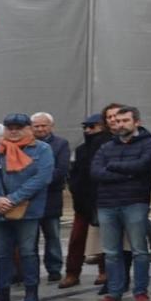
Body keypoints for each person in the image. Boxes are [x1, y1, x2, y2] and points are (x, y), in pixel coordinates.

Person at [0, 113, 54, 301]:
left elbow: (42, 178)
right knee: (1, 254)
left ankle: (31, 292)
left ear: (29, 129)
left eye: (19, 127)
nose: (14, 131)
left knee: (28, 252)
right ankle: (1, 294)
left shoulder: (42, 150)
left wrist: (13, 199)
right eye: (10, 127)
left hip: (28, 210)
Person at [90, 104, 151, 301]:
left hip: (134, 202)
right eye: (117, 121)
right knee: (111, 252)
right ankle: (114, 292)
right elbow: (95, 172)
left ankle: (140, 291)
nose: (120, 125)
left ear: (136, 122)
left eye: (125, 121)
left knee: (139, 250)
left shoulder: (149, 144)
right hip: (107, 204)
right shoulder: (106, 146)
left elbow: (142, 167)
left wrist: (112, 167)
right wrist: (125, 174)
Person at [62, 113, 107, 288]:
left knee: (104, 239)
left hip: (101, 199)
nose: (88, 130)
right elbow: (75, 174)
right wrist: (75, 189)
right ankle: (72, 272)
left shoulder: (107, 146)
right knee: (76, 239)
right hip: (82, 202)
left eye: (92, 127)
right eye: (85, 127)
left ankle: (105, 271)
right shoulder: (81, 150)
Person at [30, 112, 71, 286]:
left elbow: (60, 170)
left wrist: (36, 181)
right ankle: (30, 270)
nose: (40, 129)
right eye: (36, 126)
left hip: (51, 196)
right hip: (29, 199)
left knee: (52, 235)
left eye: (43, 125)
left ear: (51, 126)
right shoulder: (26, 144)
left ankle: (54, 269)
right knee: (29, 238)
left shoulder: (61, 144)